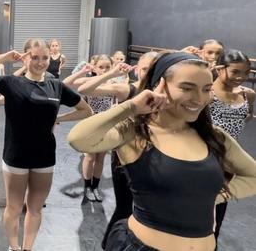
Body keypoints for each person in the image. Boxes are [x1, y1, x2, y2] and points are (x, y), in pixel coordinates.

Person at [68, 51, 256, 251]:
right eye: (187, 88)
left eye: (206, 89)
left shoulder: (214, 136)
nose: (199, 99)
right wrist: (132, 106)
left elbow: (252, 175)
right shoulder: (135, 132)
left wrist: (214, 196)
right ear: (160, 86)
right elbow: (78, 139)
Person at [0, 39, 92, 251]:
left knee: (35, 209)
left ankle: (27, 248)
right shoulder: (11, 82)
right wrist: (3, 58)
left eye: (45, 57)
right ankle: (14, 247)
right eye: (34, 57)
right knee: (14, 207)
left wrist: (59, 119)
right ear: (25, 57)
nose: (40, 62)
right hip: (16, 155)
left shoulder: (56, 86)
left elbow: (85, 110)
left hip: (44, 156)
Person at [76, 52, 157, 249]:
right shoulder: (125, 89)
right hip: (124, 154)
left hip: (152, 156)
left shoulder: (164, 95)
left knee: (148, 210)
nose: (149, 74)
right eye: (145, 69)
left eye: (154, 69)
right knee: (124, 206)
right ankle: (90, 188)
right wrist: (110, 73)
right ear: (138, 69)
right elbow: (83, 87)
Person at [208, 49, 255, 240]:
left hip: (228, 160)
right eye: (235, 71)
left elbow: (248, 117)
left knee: (219, 205)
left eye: (245, 73)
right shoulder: (206, 91)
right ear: (220, 69)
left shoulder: (248, 95)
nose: (241, 77)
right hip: (203, 156)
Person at [63, 55, 117, 201]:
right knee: (90, 156)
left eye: (107, 67)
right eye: (101, 67)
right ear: (95, 68)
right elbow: (66, 83)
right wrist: (83, 71)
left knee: (100, 158)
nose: (104, 70)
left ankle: (95, 187)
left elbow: (117, 101)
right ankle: (87, 187)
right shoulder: (89, 81)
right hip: (90, 125)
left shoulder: (113, 83)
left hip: (106, 125)